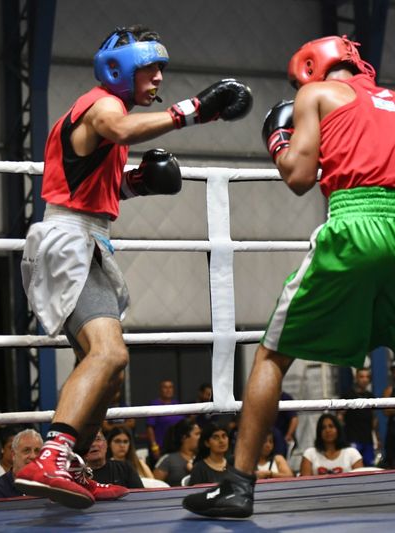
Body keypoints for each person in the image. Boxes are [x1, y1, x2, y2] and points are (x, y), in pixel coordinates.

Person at [183, 35, 395, 518]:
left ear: (310, 69)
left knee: (271, 354)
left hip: (356, 223)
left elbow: (299, 177)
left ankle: (238, 485)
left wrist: (279, 141)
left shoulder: (315, 96)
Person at [13, 25, 252, 509]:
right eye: (150, 69)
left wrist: (138, 184)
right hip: (70, 242)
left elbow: (93, 189)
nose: (158, 78)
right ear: (120, 70)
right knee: (109, 354)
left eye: (161, 70)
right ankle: (52, 457)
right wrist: (194, 110)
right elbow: (119, 130)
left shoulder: (105, 120)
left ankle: (71, 465)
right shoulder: (105, 106)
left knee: (109, 369)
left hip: (86, 238)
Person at [0, 429, 43, 499]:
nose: (33, 456)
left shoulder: (51, 486)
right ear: (13, 455)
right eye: (26, 450)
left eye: (37, 451)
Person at [339, 367, 379, 466]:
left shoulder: (370, 396)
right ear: (356, 378)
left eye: (367, 377)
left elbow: (374, 418)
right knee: (353, 468)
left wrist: (376, 438)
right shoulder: (347, 395)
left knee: (370, 468)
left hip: (368, 440)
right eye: (361, 377)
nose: (364, 379)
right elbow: (340, 417)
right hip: (352, 439)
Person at [146, 380, 187, 462]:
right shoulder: (154, 405)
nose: (168, 390)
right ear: (160, 390)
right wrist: (154, 447)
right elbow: (150, 428)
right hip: (160, 448)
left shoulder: (178, 405)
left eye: (170, 387)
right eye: (165, 387)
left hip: (177, 448)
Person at [153, 419, 200, 487]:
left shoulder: (204, 458)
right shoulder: (168, 460)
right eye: (197, 434)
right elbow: (153, 487)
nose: (201, 437)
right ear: (184, 437)